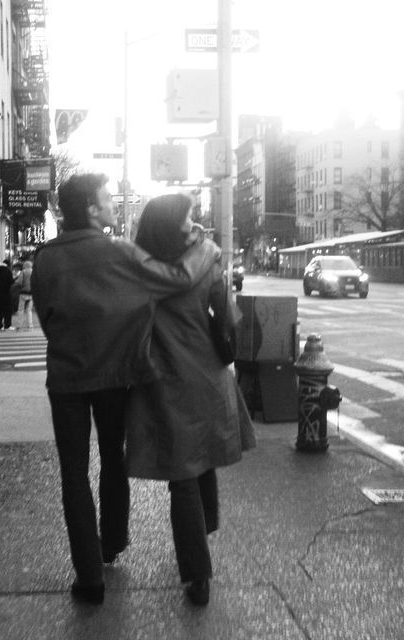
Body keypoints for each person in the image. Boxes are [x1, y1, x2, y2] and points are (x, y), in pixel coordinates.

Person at [31, 173, 220, 605]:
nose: (114, 205)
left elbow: (46, 316)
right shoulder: (118, 252)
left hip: (66, 378)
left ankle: (89, 578)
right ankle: (112, 540)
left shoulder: (45, 258)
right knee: (112, 459)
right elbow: (176, 278)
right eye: (107, 199)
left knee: (73, 475)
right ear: (91, 209)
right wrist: (206, 248)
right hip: (114, 375)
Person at [124, 193, 256, 606]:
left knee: (182, 474)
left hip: (164, 377)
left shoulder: (138, 268)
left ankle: (198, 573)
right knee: (203, 458)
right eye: (187, 217)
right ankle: (205, 528)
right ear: (172, 224)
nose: (192, 223)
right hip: (207, 372)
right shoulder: (207, 259)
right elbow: (227, 317)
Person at [0, 259, 14, 330]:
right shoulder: (8, 271)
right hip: (6, 293)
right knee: (7, 310)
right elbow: (11, 281)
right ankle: (7, 325)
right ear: (8, 265)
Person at [15, 260, 33, 330]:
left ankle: (19, 325)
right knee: (29, 310)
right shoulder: (33, 272)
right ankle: (30, 325)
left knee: (21, 309)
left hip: (23, 292)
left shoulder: (23, 272)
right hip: (31, 293)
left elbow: (19, 282)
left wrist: (17, 282)